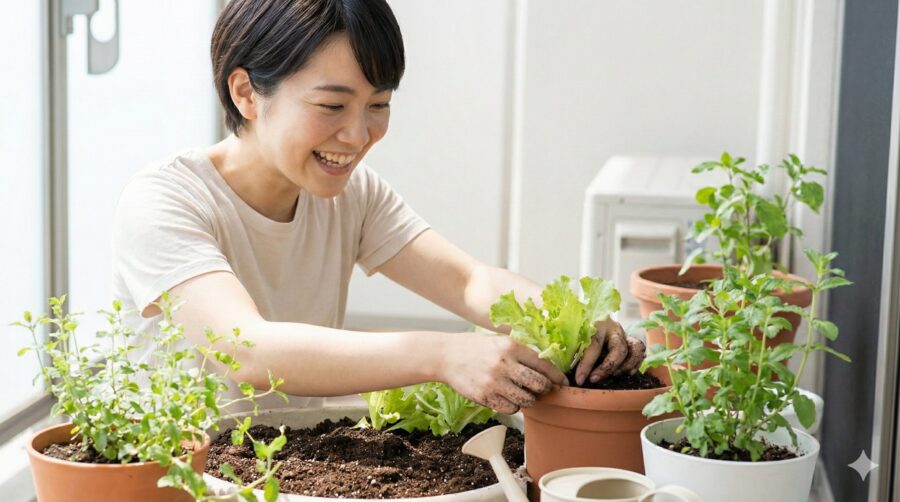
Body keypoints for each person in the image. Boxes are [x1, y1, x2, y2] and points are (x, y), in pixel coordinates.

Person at [111, 0, 645, 415]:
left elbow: (466, 282)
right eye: (332, 106)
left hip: (282, 465)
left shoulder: (352, 194)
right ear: (247, 93)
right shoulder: (166, 201)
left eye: (379, 105)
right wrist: (442, 357)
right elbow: (247, 350)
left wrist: (575, 322)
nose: (358, 133)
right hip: (174, 474)